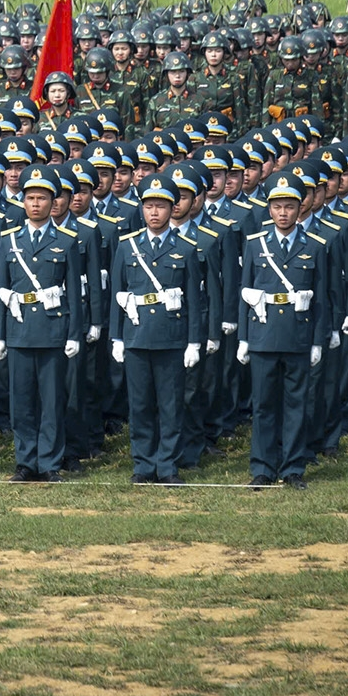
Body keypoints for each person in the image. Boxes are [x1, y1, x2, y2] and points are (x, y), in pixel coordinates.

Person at [108, 173, 204, 484]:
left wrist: (193, 342)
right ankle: (143, 464)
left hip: (171, 338)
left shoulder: (187, 248)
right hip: (136, 337)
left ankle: (167, 465)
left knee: (171, 405)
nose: (154, 213)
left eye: (161, 206)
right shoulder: (127, 246)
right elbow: (117, 295)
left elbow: (194, 299)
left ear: (172, 208)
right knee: (140, 405)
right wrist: (116, 337)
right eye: (149, 206)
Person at [0, 163, 83, 482]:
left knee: (52, 399)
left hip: (53, 330)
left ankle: (49, 462)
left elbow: (75, 291)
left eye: (43, 198)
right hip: (18, 331)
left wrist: (74, 334)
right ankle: (25, 460)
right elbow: (0, 290)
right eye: (30, 197)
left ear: (53, 201)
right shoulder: (8, 240)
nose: (36, 203)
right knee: (21, 401)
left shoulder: (67, 241)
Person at [238, 173, 329, 488]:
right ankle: (262, 467)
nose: (283, 213)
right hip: (263, 336)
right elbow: (245, 293)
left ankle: (293, 468)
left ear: (299, 207)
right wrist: (243, 339)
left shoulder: (314, 246)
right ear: (269, 209)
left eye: (290, 206)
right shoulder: (254, 244)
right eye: (277, 207)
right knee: (263, 405)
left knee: (295, 405)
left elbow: (322, 297)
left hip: (297, 336)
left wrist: (318, 341)